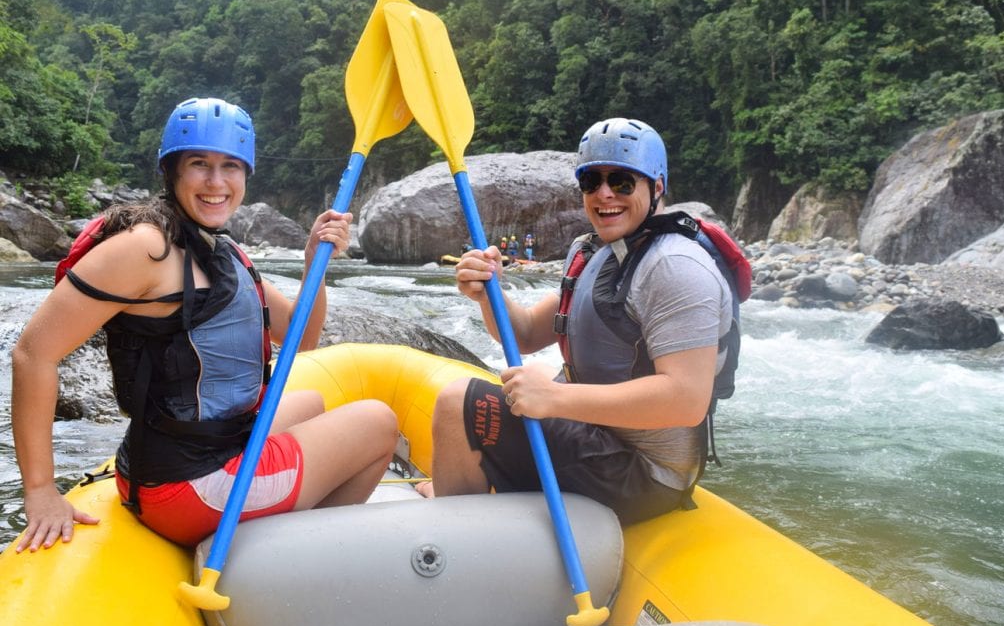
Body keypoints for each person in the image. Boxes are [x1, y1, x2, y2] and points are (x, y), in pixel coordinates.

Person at [12, 97, 399, 551]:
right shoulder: (145, 247)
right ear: (173, 171)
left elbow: (301, 338)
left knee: (310, 401)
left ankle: (282, 531)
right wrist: (40, 491)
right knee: (378, 422)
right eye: (200, 164)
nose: (217, 182)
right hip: (186, 487)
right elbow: (32, 354)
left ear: (246, 176)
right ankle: (306, 554)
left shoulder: (220, 249)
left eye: (231, 166)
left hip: (194, 457)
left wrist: (315, 264)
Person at [420, 118, 733, 525]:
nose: (605, 194)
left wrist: (555, 398)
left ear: (656, 188)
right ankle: (464, 495)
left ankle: (455, 541)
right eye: (591, 180)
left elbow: (686, 400)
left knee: (456, 403)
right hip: (597, 435)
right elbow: (528, 333)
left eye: (622, 181)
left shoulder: (674, 267)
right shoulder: (592, 252)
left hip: (646, 473)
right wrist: (490, 293)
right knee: (502, 392)